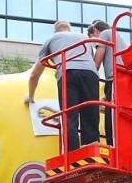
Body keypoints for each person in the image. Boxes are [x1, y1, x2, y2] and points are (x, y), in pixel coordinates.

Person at [25, 20, 99, 151]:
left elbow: (34, 74)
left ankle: (72, 155)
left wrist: (30, 96)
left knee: (70, 116)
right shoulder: (84, 39)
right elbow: (92, 61)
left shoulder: (51, 39)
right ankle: (92, 152)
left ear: (55, 31)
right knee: (90, 114)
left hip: (68, 72)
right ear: (69, 29)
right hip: (91, 75)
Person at [88, 19, 126, 145]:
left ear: (95, 31)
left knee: (110, 119)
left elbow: (96, 63)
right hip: (123, 79)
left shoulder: (104, 34)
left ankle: (111, 144)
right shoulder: (118, 36)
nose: (95, 46)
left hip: (113, 79)